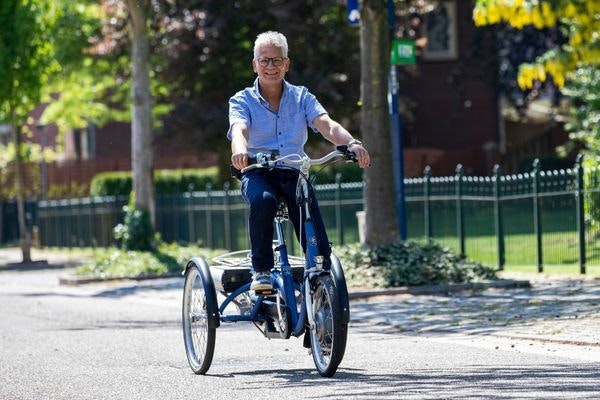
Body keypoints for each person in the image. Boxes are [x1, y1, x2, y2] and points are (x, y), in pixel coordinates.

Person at [228, 31, 370, 292]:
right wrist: (240, 150)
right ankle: (261, 270)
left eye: (276, 60)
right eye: (264, 61)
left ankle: (319, 274)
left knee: (309, 219)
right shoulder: (242, 100)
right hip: (258, 171)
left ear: (286, 64)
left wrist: (351, 143)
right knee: (264, 200)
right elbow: (239, 130)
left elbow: (326, 125)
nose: (270, 66)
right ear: (255, 64)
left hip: (294, 173)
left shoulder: (302, 97)